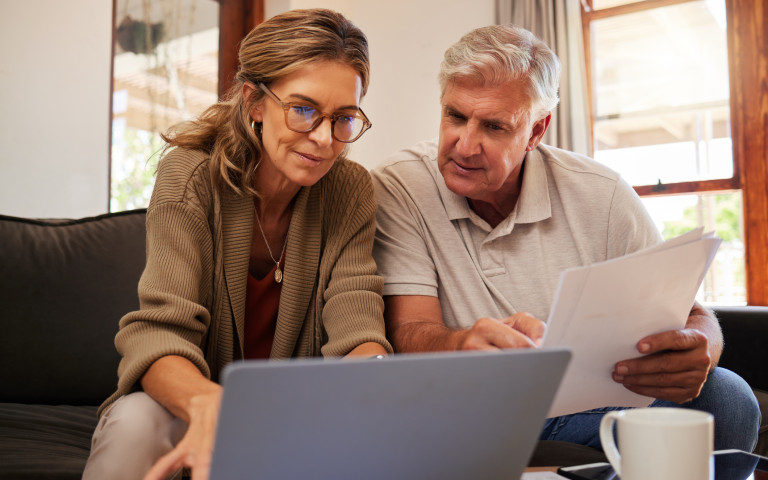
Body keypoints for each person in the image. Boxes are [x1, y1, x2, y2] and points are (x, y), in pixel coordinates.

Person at [371, 24, 760, 453]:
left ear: (536, 132)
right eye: (455, 116)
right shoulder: (400, 185)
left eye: (495, 127)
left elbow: (690, 313)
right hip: (474, 409)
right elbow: (410, 329)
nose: (464, 146)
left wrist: (702, 349)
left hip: (597, 405)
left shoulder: (602, 192)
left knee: (729, 398)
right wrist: (461, 345)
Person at [83, 9, 391, 480]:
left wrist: (380, 384)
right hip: (188, 402)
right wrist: (210, 403)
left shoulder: (351, 190)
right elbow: (160, 333)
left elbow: (356, 320)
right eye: (304, 110)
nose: (325, 139)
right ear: (253, 102)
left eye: (344, 118)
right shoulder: (189, 175)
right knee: (136, 423)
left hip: (294, 413)